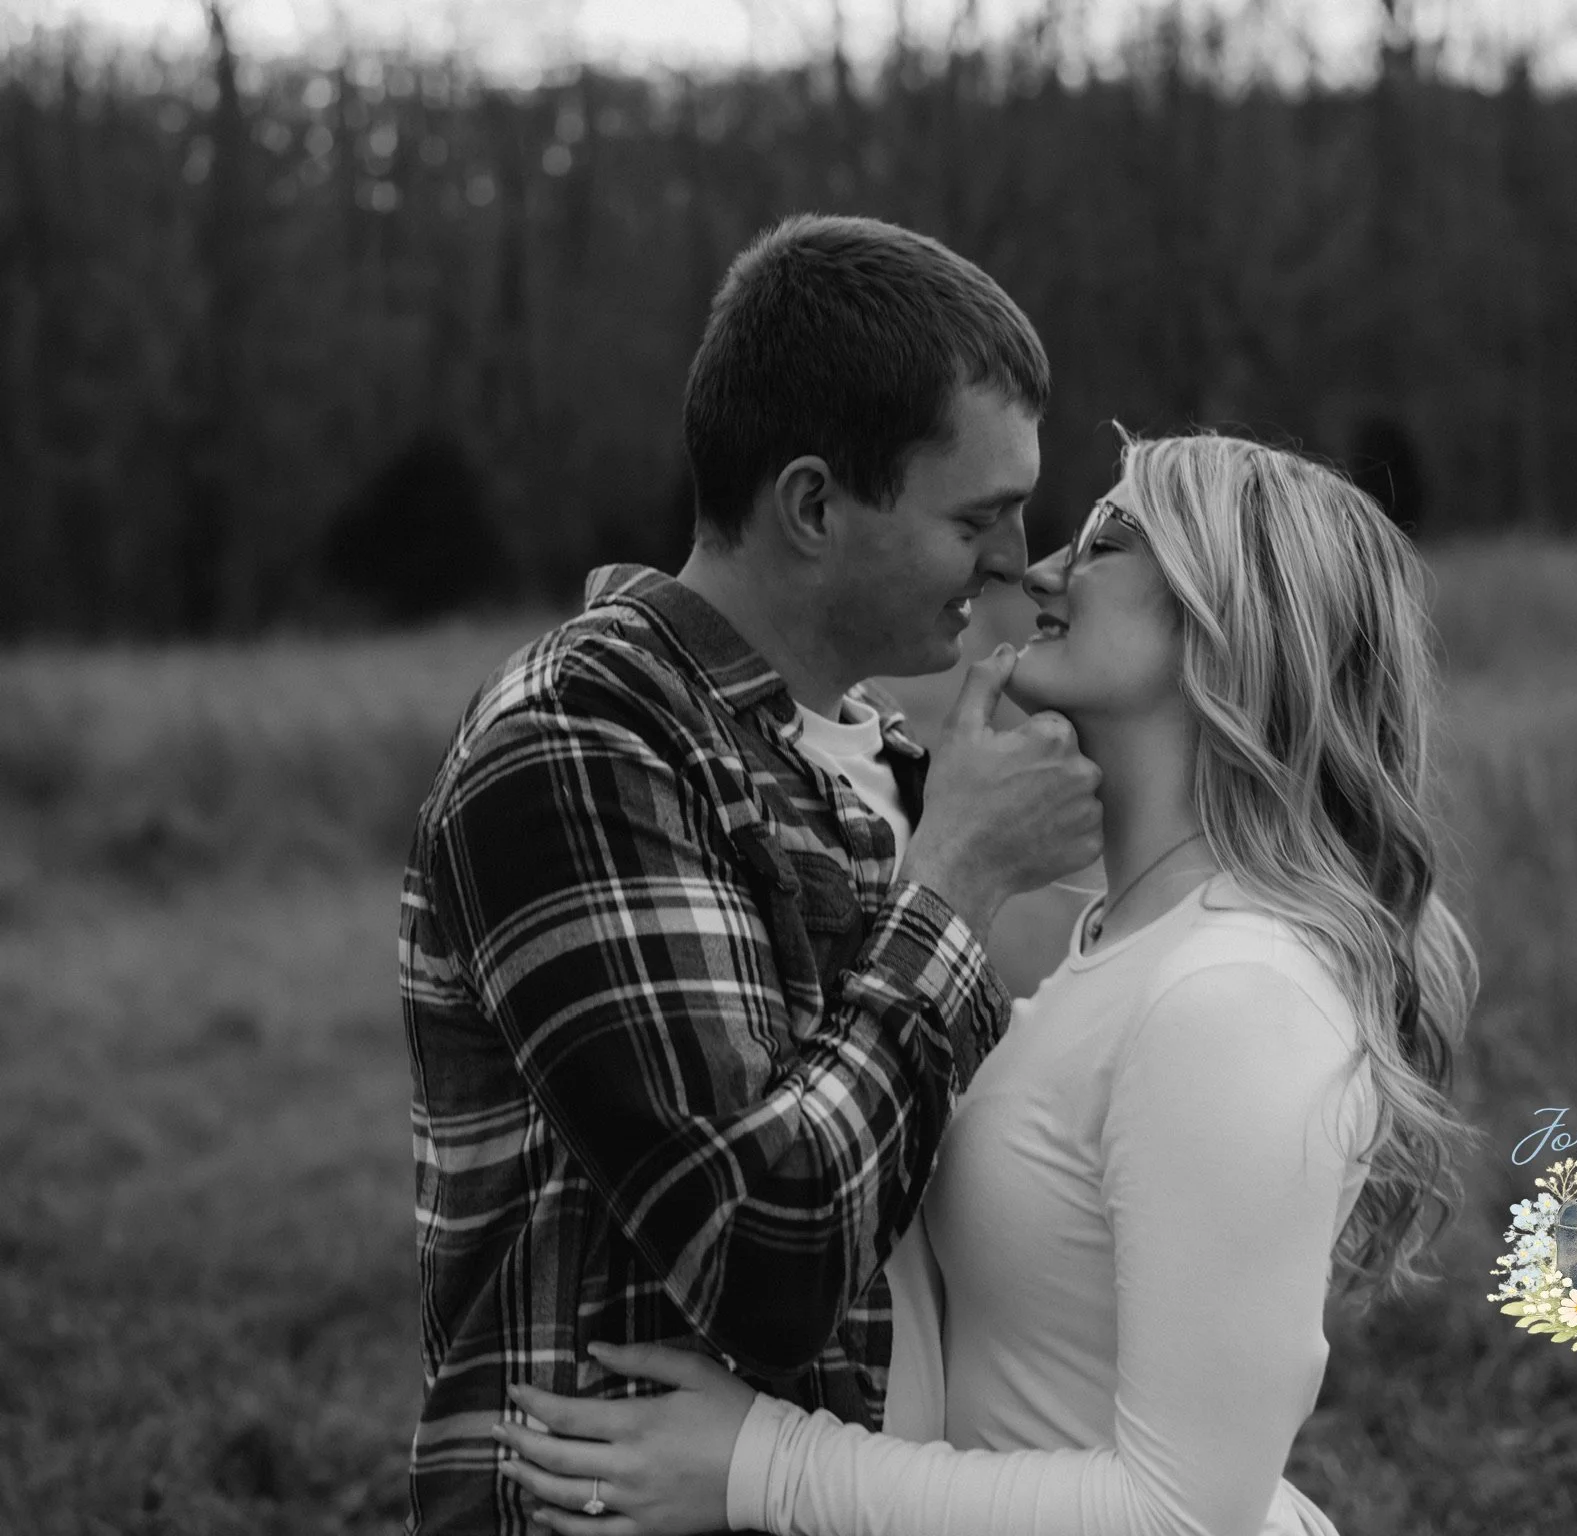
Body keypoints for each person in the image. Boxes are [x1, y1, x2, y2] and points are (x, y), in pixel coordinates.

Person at [493, 432, 1481, 1536]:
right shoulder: (1123, 947)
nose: (1042, 568)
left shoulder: (1237, 995)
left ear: (1228, 619)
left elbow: (1179, 1517)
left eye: (1110, 538)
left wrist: (762, 1466)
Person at [399, 212, 1108, 1535]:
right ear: (815, 505)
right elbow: (765, 1255)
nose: (1013, 564)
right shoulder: (580, 737)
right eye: (980, 517)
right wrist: (957, 884)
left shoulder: (880, 758)